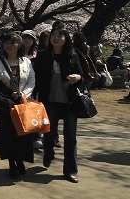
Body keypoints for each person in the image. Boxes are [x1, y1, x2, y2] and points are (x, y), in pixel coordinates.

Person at [33, 23, 84, 183]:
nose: (56, 38)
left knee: (70, 138)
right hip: (50, 102)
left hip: (69, 103)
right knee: (49, 133)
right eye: (53, 35)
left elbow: (82, 76)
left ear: (65, 39)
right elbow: (35, 79)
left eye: (60, 36)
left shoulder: (72, 56)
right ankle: (48, 154)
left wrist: (78, 77)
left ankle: (70, 170)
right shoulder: (42, 55)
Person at [0, 32, 35, 179]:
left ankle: (20, 159)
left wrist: (24, 94)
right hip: (5, 103)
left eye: (12, 43)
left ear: (19, 45)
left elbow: (31, 81)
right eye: (6, 43)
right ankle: (12, 164)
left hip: (22, 103)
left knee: (22, 134)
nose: (9, 46)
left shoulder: (26, 61)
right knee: (7, 135)